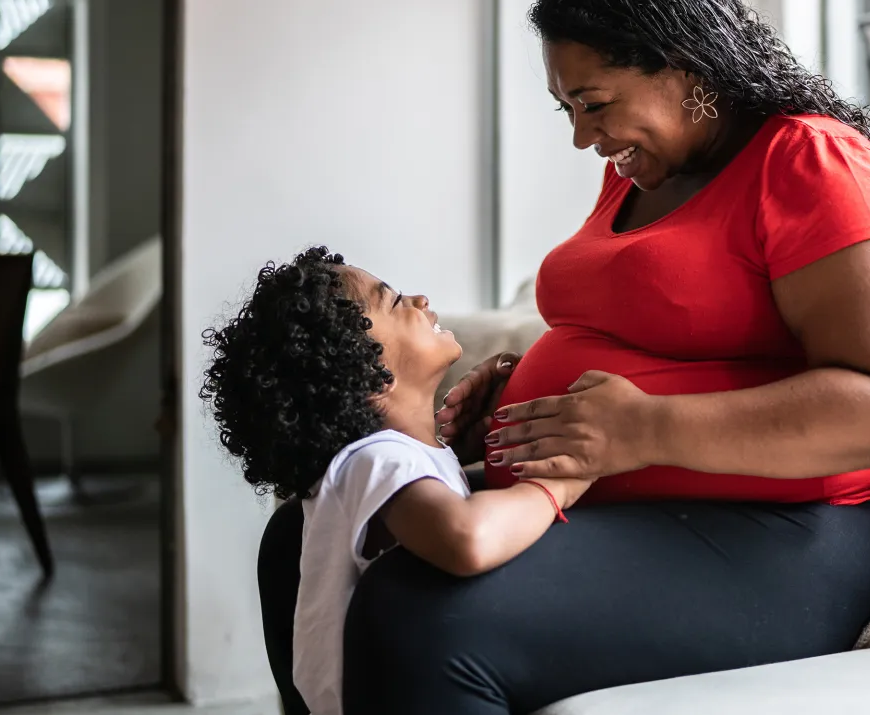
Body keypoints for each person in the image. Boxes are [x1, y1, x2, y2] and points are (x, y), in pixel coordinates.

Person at [258, 0, 870, 715]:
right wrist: (528, 406)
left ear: (684, 63)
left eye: (595, 103)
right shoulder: (640, 175)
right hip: (635, 502)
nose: (584, 137)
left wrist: (640, 429)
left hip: (791, 533)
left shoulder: (812, 162)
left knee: (419, 613)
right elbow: (651, 334)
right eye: (568, 109)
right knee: (300, 537)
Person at [201, 248, 593, 715]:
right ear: (370, 372)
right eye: (396, 302)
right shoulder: (375, 461)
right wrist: (564, 481)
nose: (421, 300)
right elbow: (465, 538)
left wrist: (458, 448)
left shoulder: (373, 463)